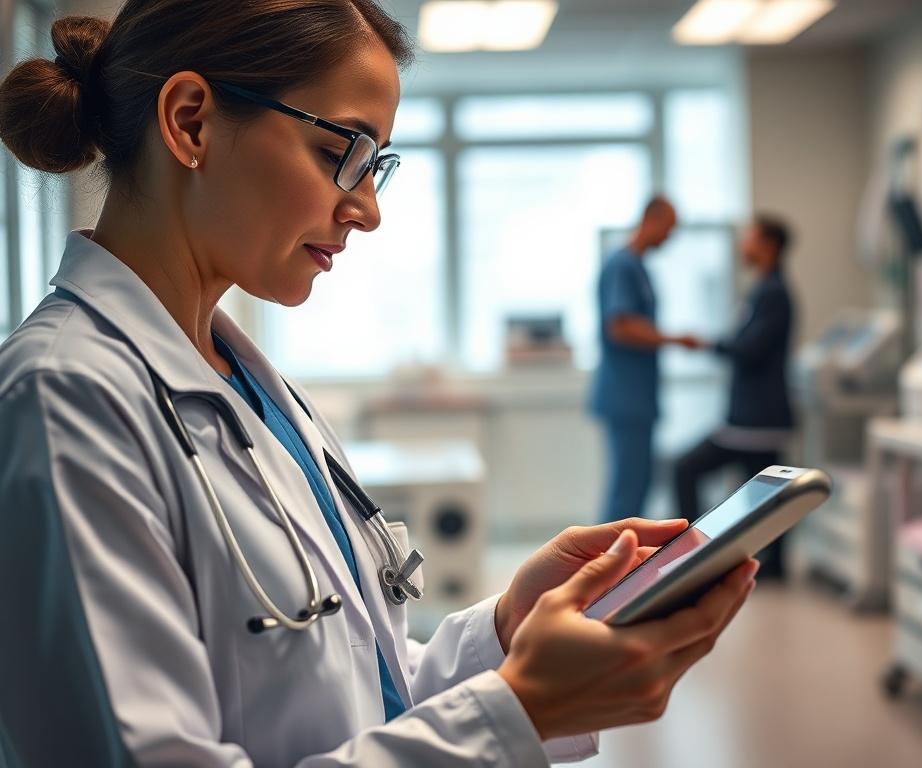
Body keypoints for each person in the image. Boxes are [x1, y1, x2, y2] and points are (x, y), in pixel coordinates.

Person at [0, 3, 759, 766]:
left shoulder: (245, 385)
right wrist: (522, 710)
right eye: (344, 151)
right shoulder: (65, 401)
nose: (366, 210)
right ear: (192, 122)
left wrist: (507, 635)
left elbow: (364, 691)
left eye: (377, 164)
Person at [674, 215, 796, 578]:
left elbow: (750, 348)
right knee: (765, 494)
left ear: (769, 244)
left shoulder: (772, 292)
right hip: (753, 417)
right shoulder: (764, 288)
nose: (744, 244)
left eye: (751, 237)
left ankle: (692, 554)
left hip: (755, 419)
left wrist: (709, 343)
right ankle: (772, 567)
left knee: (686, 468)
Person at [589, 196, 690, 523]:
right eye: (669, 228)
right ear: (651, 218)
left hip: (637, 396)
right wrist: (675, 339)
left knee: (641, 482)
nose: (669, 237)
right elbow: (620, 327)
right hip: (625, 395)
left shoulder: (638, 266)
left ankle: (626, 566)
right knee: (628, 488)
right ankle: (612, 570)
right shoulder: (623, 265)